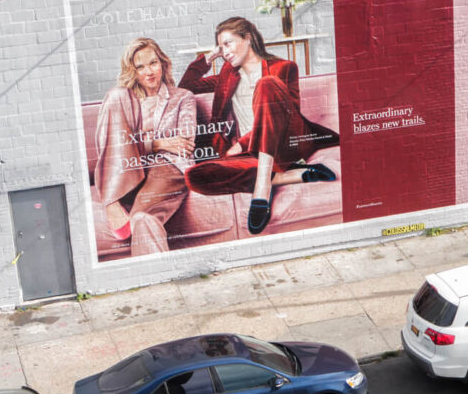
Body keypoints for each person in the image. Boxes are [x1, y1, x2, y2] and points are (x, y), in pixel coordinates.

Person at [179, 16, 338, 235]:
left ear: (248, 38)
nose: (224, 51)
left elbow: (288, 116)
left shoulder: (284, 67)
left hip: (285, 144)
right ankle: (291, 175)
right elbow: (186, 87)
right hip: (251, 154)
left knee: (267, 85)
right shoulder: (228, 75)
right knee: (194, 177)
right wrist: (210, 56)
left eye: (228, 43)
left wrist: (242, 143)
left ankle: (261, 189)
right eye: (220, 47)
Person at [93, 37, 197, 257]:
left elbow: (185, 144)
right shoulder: (126, 100)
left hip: (166, 167)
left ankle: (156, 275)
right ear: (133, 72)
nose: (149, 72)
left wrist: (137, 144)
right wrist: (157, 143)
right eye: (140, 67)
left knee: (140, 218)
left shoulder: (182, 97)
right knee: (115, 94)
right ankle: (111, 200)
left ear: (163, 64)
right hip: (129, 169)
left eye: (153, 63)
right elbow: (117, 144)